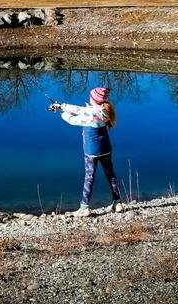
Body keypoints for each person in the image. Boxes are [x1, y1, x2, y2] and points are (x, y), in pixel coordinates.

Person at [49, 87, 123, 216]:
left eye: (91, 97)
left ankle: (84, 208)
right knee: (111, 175)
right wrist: (62, 105)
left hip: (92, 151)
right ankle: (118, 202)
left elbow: (73, 120)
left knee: (89, 177)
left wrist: (61, 112)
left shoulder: (91, 115)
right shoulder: (104, 111)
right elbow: (80, 109)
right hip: (106, 149)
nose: (89, 98)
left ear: (94, 100)